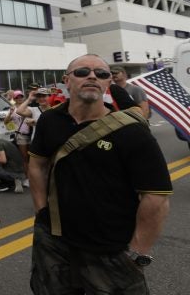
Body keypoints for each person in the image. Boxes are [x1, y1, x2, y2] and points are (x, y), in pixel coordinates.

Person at [28, 54, 172, 294]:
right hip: (54, 241)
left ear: (108, 84)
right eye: (82, 72)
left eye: (102, 74)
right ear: (67, 80)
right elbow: (37, 165)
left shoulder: (132, 130)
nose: (93, 76)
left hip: (111, 248)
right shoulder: (50, 120)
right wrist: (42, 212)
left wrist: (137, 252)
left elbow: (156, 196)